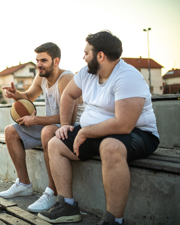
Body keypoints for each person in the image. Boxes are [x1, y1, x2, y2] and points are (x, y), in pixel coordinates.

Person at [38, 31, 160, 224]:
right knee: (55, 143)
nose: (83, 57)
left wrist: (85, 131)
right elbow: (69, 95)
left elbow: (124, 124)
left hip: (138, 134)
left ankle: (113, 220)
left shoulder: (128, 76)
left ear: (100, 56)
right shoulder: (87, 73)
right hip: (96, 133)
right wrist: (66, 125)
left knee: (109, 146)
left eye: (86, 53)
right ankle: (67, 205)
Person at [0, 42, 79, 213]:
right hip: (51, 125)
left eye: (43, 60)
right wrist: (16, 95)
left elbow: (68, 120)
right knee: (10, 131)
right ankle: (24, 183)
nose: (39, 65)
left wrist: (35, 120)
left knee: (47, 130)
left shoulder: (66, 79)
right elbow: (29, 96)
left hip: (73, 128)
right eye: (37, 60)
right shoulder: (41, 76)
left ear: (56, 61)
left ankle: (52, 191)